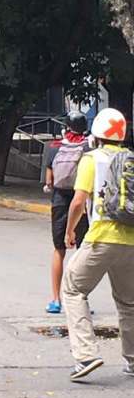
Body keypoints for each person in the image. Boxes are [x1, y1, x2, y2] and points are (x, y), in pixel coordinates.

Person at [62, 107, 134, 381]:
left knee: (73, 289)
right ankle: (133, 360)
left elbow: (79, 201)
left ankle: (86, 355)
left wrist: (70, 231)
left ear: (96, 135)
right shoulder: (131, 160)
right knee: (129, 302)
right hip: (131, 240)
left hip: (102, 236)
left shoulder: (92, 159)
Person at [42, 111, 89, 314]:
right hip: (82, 199)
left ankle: (55, 300)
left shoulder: (54, 147)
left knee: (59, 250)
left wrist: (49, 185)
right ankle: (81, 299)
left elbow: (49, 181)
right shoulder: (89, 147)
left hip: (60, 201)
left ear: (67, 126)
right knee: (82, 252)